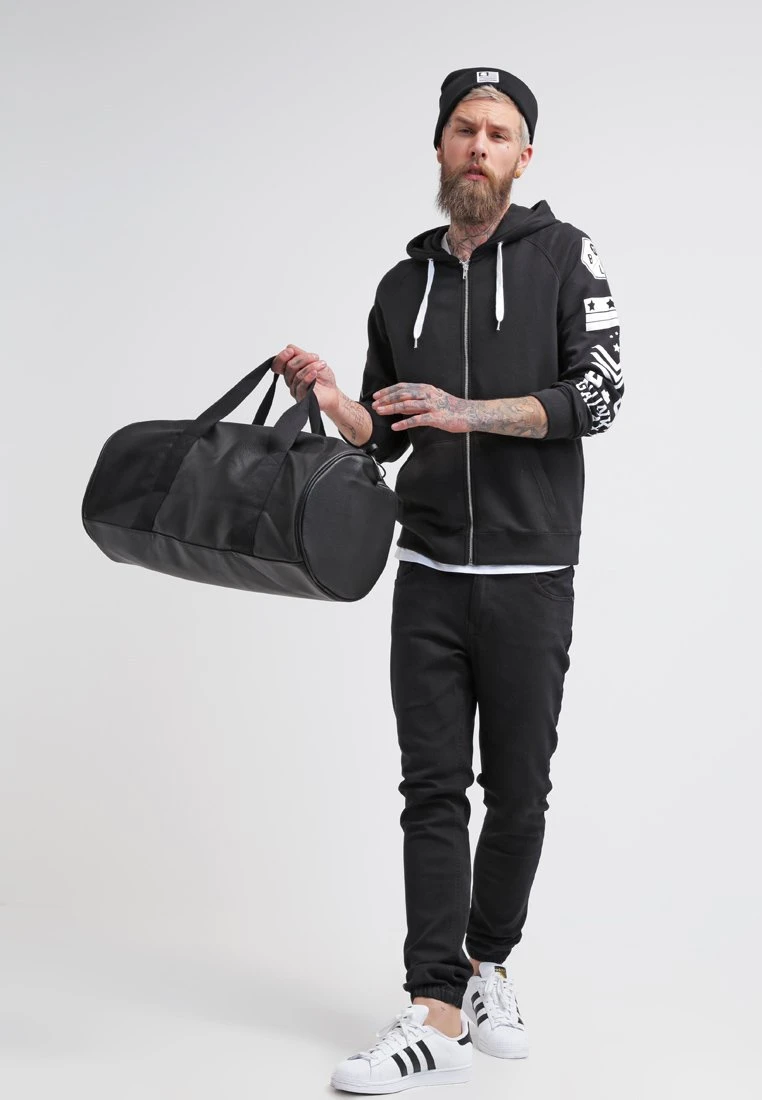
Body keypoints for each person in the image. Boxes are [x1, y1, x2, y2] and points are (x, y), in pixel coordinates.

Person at [273, 67, 624, 1095]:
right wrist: (334, 398)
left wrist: (469, 412)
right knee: (431, 790)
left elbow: (600, 394)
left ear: (524, 156)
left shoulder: (565, 255)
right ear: (439, 146)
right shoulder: (402, 284)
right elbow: (383, 436)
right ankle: (432, 1008)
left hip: (530, 573)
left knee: (518, 793)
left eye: (499, 133)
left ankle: (486, 967)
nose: (479, 146)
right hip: (426, 571)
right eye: (464, 129)